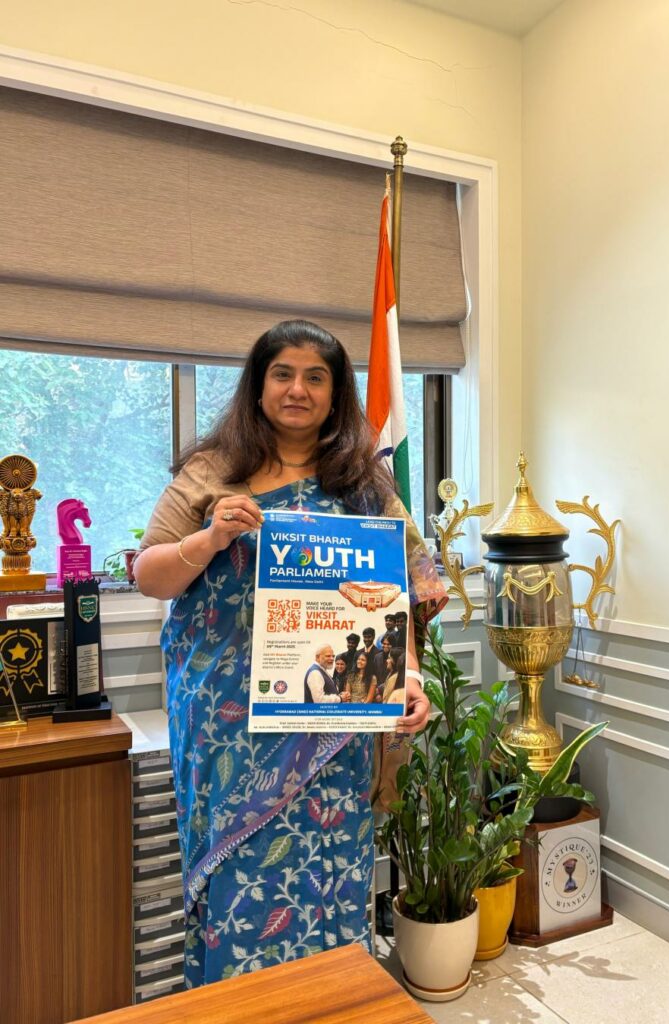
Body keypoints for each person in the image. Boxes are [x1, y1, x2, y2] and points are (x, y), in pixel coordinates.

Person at [133, 319, 447, 987]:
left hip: (333, 724)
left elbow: (401, 591)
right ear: (259, 385)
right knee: (238, 880)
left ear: (335, 395)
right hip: (229, 725)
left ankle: (332, 1001)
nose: (297, 389)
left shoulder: (363, 483)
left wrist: (411, 677)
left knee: (332, 871)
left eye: (315, 377)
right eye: (283, 374)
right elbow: (150, 576)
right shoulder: (212, 471)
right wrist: (211, 538)